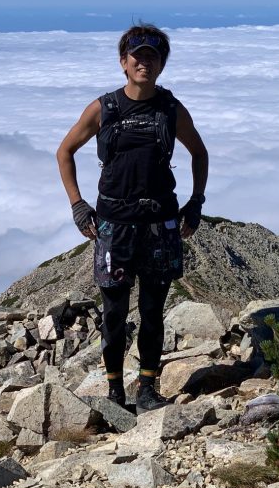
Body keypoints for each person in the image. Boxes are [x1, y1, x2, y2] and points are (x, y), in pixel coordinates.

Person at [57, 23, 209, 414]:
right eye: (137, 55)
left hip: (160, 222)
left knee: (153, 310)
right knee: (114, 311)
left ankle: (146, 387)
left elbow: (199, 153)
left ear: (161, 65)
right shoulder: (104, 108)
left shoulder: (171, 109)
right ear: (123, 62)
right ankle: (114, 392)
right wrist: (78, 204)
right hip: (114, 224)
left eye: (153, 56)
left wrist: (195, 203)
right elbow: (65, 152)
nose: (145, 61)